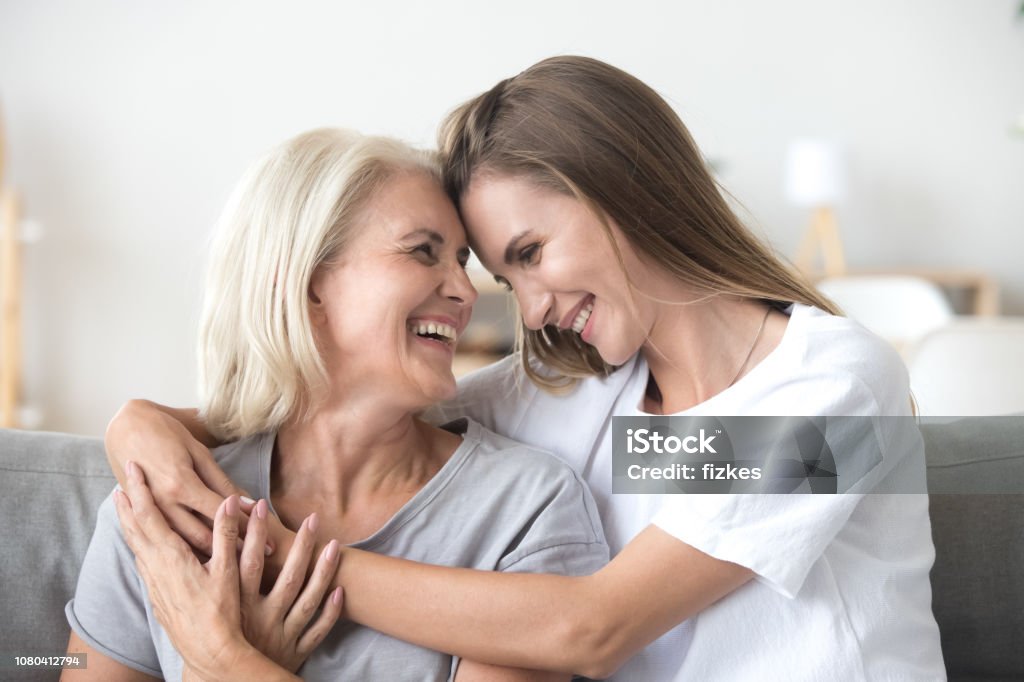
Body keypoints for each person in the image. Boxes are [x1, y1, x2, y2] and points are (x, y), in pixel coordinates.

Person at [104, 56, 945, 680]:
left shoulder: (839, 385)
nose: (530, 308)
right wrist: (146, 421)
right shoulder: (583, 397)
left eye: (533, 252)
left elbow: (593, 628)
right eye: (509, 277)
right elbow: (348, 399)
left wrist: (281, 566)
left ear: (625, 188)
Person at [62, 128, 608, 681]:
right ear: (307, 287)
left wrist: (227, 665)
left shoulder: (521, 510)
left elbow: (603, 623)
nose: (466, 293)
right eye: (423, 251)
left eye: (463, 261)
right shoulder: (167, 504)